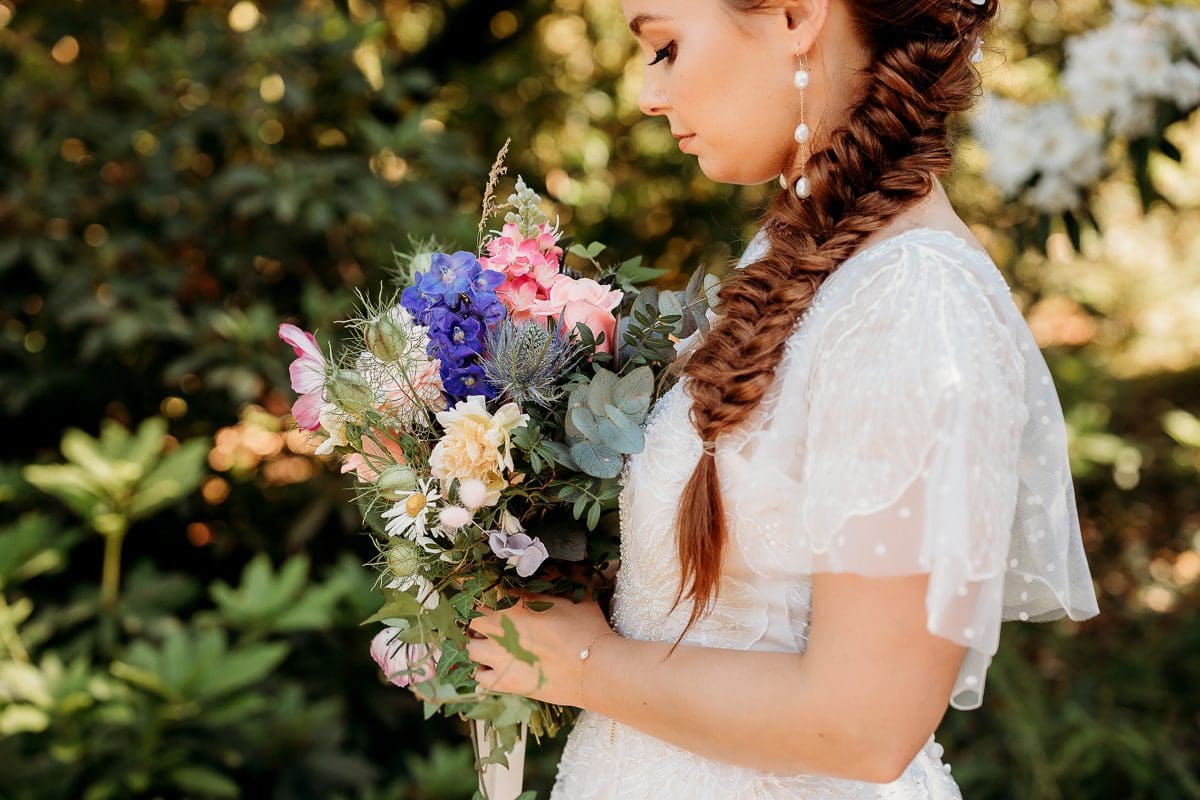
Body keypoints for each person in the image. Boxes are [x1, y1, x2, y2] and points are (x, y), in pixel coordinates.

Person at [464, 0, 1102, 796]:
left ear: (797, 15)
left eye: (664, 48)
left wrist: (586, 663)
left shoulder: (915, 302)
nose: (648, 97)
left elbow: (867, 725)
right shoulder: (802, 250)